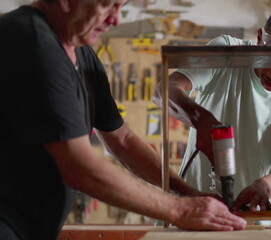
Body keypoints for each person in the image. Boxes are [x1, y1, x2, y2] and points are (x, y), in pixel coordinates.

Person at [0, 0, 246, 239]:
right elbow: (79, 167)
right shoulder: (31, 42)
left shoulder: (82, 53)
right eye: (107, 5)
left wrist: (186, 194)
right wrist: (180, 210)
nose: (115, 20)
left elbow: (122, 140)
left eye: (120, 7)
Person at [153, 6, 271, 214]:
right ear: (260, 38)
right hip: (192, 209)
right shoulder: (227, 52)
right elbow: (164, 92)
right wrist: (200, 118)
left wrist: (265, 187)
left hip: (254, 216)